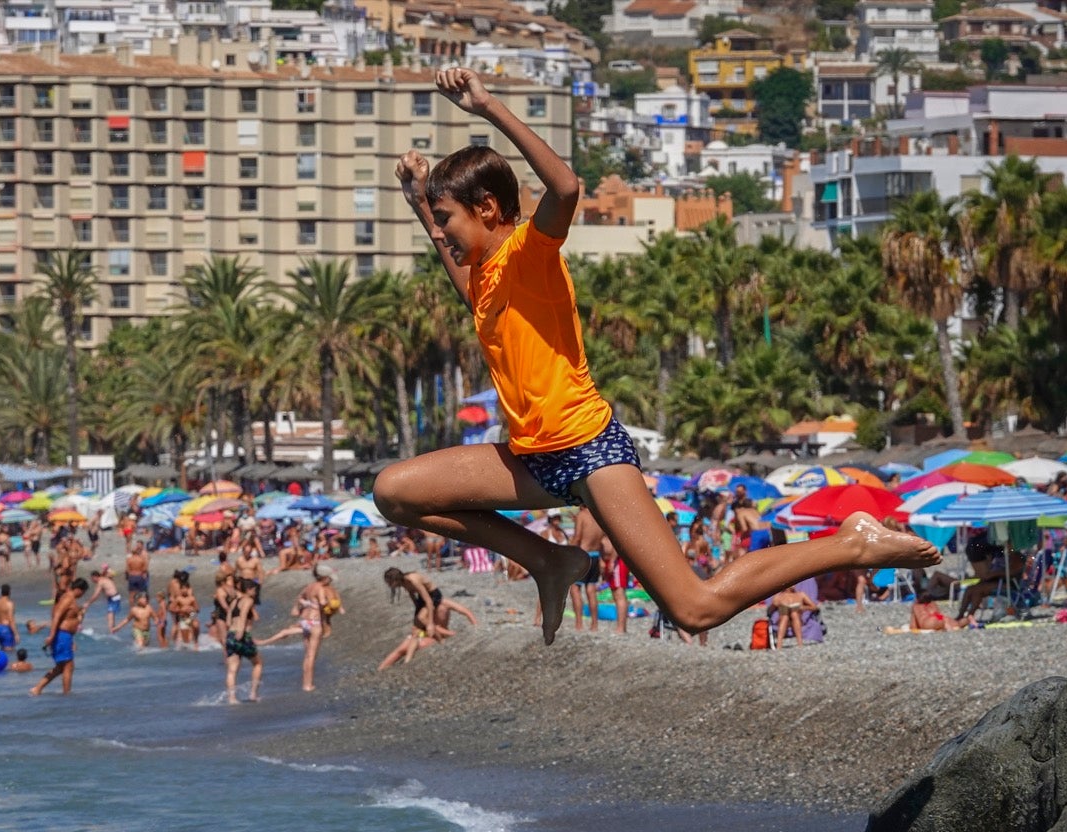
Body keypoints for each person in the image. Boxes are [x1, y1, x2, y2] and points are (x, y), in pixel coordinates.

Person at [374, 66, 938, 646]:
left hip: (589, 451)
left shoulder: (529, 252)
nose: (442, 235)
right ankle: (549, 561)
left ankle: (852, 541)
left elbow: (565, 188)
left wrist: (488, 106)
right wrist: (421, 202)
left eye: (448, 221)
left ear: (489, 209)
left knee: (696, 608)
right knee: (396, 492)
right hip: (531, 457)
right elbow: (463, 283)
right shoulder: (488, 278)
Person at [31, 577, 87, 696]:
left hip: (65, 636)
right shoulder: (68, 598)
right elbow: (56, 615)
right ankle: (66, 694)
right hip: (62, 635)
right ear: (79, 590)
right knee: (68, 665)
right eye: (83, 592)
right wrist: (51, 636)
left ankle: (38, 688)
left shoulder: (70, 599)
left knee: (62, 667)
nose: (82, 595)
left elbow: (69, 619)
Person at [223, 578, 263, 704]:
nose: (255, 593)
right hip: (242, 635)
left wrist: (233, 632)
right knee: (258, 663)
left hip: (230, 635)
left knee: (232, 670)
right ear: (249, 590)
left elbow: (228, 621)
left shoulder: (234, 602)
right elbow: (243, 614)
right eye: (254, 590)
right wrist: (241, 632)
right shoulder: (248, 600)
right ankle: (253, 694)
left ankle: (232, 698)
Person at [769, 585, 819, 649]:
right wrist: (774, 604)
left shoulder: (801, 595)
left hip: (798, 619)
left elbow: (814, 607)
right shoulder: (778, 597)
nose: (794, 585)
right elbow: (770, 611)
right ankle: (779, 644)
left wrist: (803, 607)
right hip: (783, 620)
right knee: (785, 617)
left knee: (794, 614)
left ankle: (800, 643)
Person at [0, 583, 17, 651]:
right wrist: (16, 634)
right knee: (10, 651)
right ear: (9, 592)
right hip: (6, 629)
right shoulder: (10, 604)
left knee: (2, 650)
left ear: (1, 592)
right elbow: (11, 620)